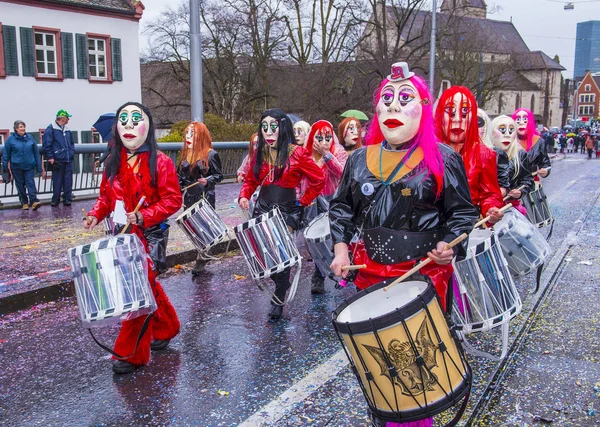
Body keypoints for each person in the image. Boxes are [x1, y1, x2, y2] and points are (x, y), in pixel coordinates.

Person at [329, 63, 478, 427]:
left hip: (422, 275)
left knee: (417, 365)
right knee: (379, 364)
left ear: (423, 108)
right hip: (370, 274)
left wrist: (449, 244)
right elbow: (342, 207)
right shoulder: (360, 159)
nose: (393, 107)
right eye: (387, 99)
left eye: (405, 99)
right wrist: (341, 248)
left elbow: (462, 213)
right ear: (377, 108)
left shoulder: (443, 157)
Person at [83, 102, 182, 374]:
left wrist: (144, 215)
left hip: (149, 236)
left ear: (147, 127)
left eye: (135, 119)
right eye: (123, 119)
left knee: (137, 292)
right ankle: (166, 327)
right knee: (146, 288)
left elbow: (173, 200)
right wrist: (94, 214)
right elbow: (106, 197)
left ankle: (130, 354)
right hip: (120, 235)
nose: (128, 125)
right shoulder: (113, 161)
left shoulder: (160, 162)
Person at [238, 108, 325, 320]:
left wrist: (302, 202)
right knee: (265, 253)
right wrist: (244, 195)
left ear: (283, 128)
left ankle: (278, 297)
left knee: (282, 254)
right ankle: (280, 283)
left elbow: (319, 179)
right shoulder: (262, 152)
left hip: (287, 210)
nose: (268, 132)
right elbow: (251, 179)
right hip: (263, 206)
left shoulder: (298, 153)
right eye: (264, 127)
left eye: (273, 127)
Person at [435, 86, 504, 224]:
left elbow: (490, 193)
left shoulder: (484, 154)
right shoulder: (426, 151)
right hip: (429, 229)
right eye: (450, 111)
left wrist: (491, 208)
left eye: (465, 112)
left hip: (465, 228)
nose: (457, 120)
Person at [301, 120, 348, 294]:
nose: (324, 141)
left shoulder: (339, 152)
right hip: (312, 202)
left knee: (336, 239)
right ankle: (318, 274)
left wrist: (327, 156)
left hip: (333, 200)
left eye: (328, 137)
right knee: (314, 240)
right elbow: (299, 180)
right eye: (319, 137)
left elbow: (343, 174)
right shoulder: (304, 155)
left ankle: (342, 273)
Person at [178, 121, 223, 275]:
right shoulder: (186, 154)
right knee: (192, 228)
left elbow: (218, 175)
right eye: (187, 133)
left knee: (203, 227)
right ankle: (202, 255)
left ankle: (201, 259)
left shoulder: (211, 154)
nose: (188, 137)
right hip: (189, 196)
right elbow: (180, 178)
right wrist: (175, 191)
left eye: (192, 133)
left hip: (204, 195)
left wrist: (208, 180)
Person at [490, 116, 534, 215]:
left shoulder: (520, 154)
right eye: (502, 130)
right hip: (488, 211)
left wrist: (520, 192)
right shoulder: (484, 154)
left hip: (511, 209)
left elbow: (528, 179)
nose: (507, 135)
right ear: (492, 132)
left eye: (511, 130)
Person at [2, 120, 42, 210]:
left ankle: (34, 201)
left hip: (29, 165)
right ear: (16, 129)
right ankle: (24, 202)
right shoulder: (10, 139)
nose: (23, 128)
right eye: (20, 127)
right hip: (16, 166)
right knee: (20, 185)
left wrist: (39, 167)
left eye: (23, 126)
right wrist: (5, 167)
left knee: (30, 183)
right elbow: (6, 154)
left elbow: (36, 153)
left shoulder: (30, 137)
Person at [42, 110, 75, 207]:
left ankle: (67, 199)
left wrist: (71, 151)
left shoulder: (67, 129)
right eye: (67, 118)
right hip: (57, 159)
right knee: (57, 181)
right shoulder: (51, 129)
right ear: (62, 118)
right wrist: (50, 157)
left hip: (68, 158)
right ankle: (55, 200)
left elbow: (71, 143)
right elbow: (47, 144)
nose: (68, 119)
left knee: (68, 181)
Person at [512, 108, 551, 182]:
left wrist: (545, 171)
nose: (521, 123)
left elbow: (545, 164)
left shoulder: (538, 142)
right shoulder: (508, 141)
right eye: (518, 119)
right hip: (510, 187)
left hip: (530, 185)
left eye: (525, 119)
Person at [478, 109, 510, 196]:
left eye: (478, 123)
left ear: (486, 127)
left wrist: (490, 200)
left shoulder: (497, 154)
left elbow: (503, 186)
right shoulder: (454, 153)